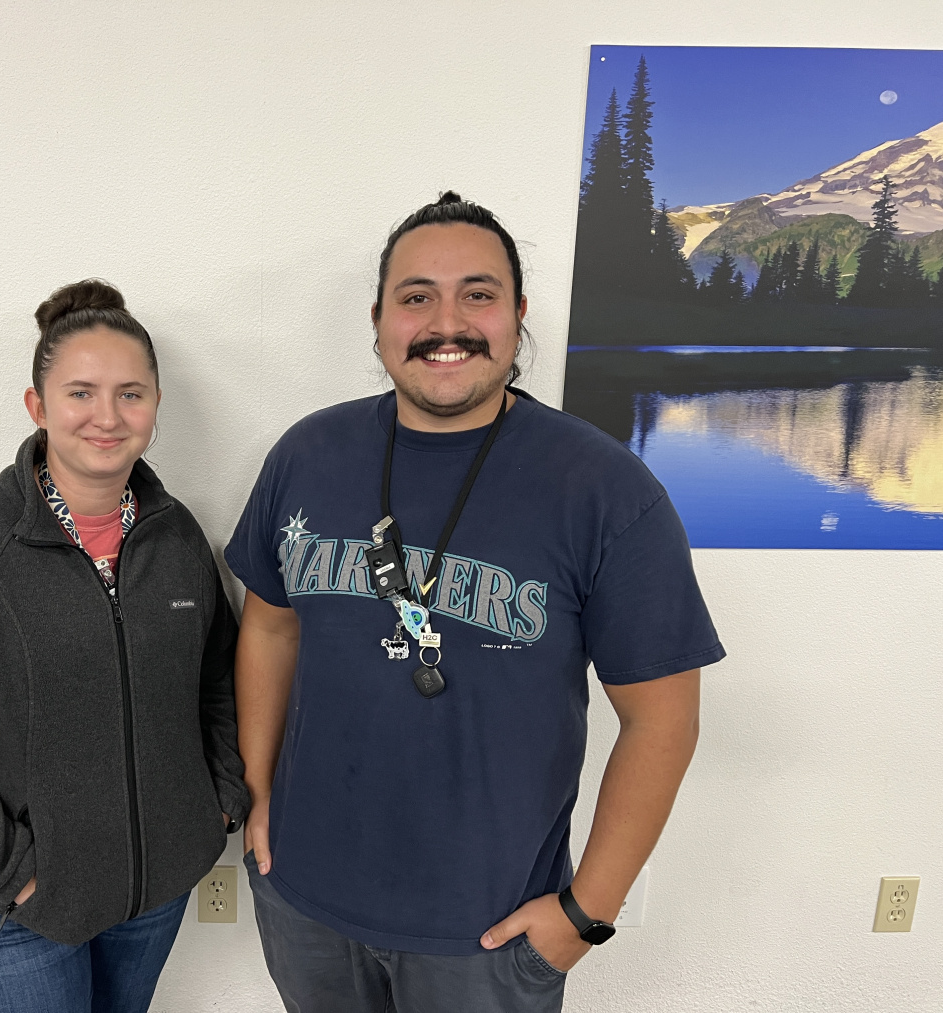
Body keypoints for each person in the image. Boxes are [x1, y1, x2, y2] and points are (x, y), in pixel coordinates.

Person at [227, 192, 725, 1012]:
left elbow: (663, 719)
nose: (446, 323)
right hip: (304, 900)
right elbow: (271, 627)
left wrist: (586, 913)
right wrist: (257, 797)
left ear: (518, 315)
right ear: (380, 320)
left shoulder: (603, 488)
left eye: (479, 294)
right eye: (416, 296)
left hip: (488, 933)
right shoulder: (307, 453)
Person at [0, 279, 249, 1013]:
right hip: (12, 912)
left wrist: (217, 801)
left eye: (131, 394)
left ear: (156, 406)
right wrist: (11, 871)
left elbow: (219, 680)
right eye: (80, 393)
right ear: (37, 406)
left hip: (152, 894)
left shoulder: (177, 538)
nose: (108, 416)